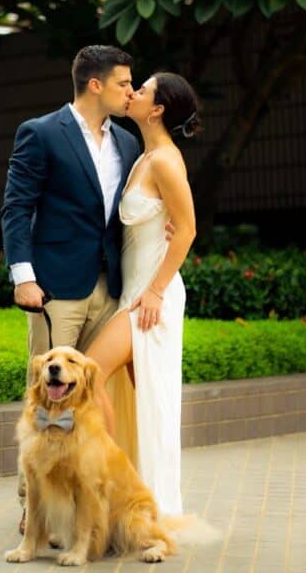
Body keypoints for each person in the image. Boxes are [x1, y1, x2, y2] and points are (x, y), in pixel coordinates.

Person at [1, 44, 139, 534]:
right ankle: (32, 504)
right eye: (125, 82)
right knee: (46, 395)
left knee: (92, 396)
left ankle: (90, 497)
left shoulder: (128, 141)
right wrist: (24, 276)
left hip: (110, 285)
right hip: (54, 287)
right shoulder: (41, 133)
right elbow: (16, 207)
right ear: (95, 84)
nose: (131, 91)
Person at [83, 71, 201, 517]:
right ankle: (135, 505)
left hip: (154, 298)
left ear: (157, 110)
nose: (132, 92)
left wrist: (155, 292)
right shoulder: (143, 157)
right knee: (143, 403)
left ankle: (130, 494)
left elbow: (188, 229)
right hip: (135, 292)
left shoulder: (167, 160)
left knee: (94, 376)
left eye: (143, 89)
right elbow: (168, 225)